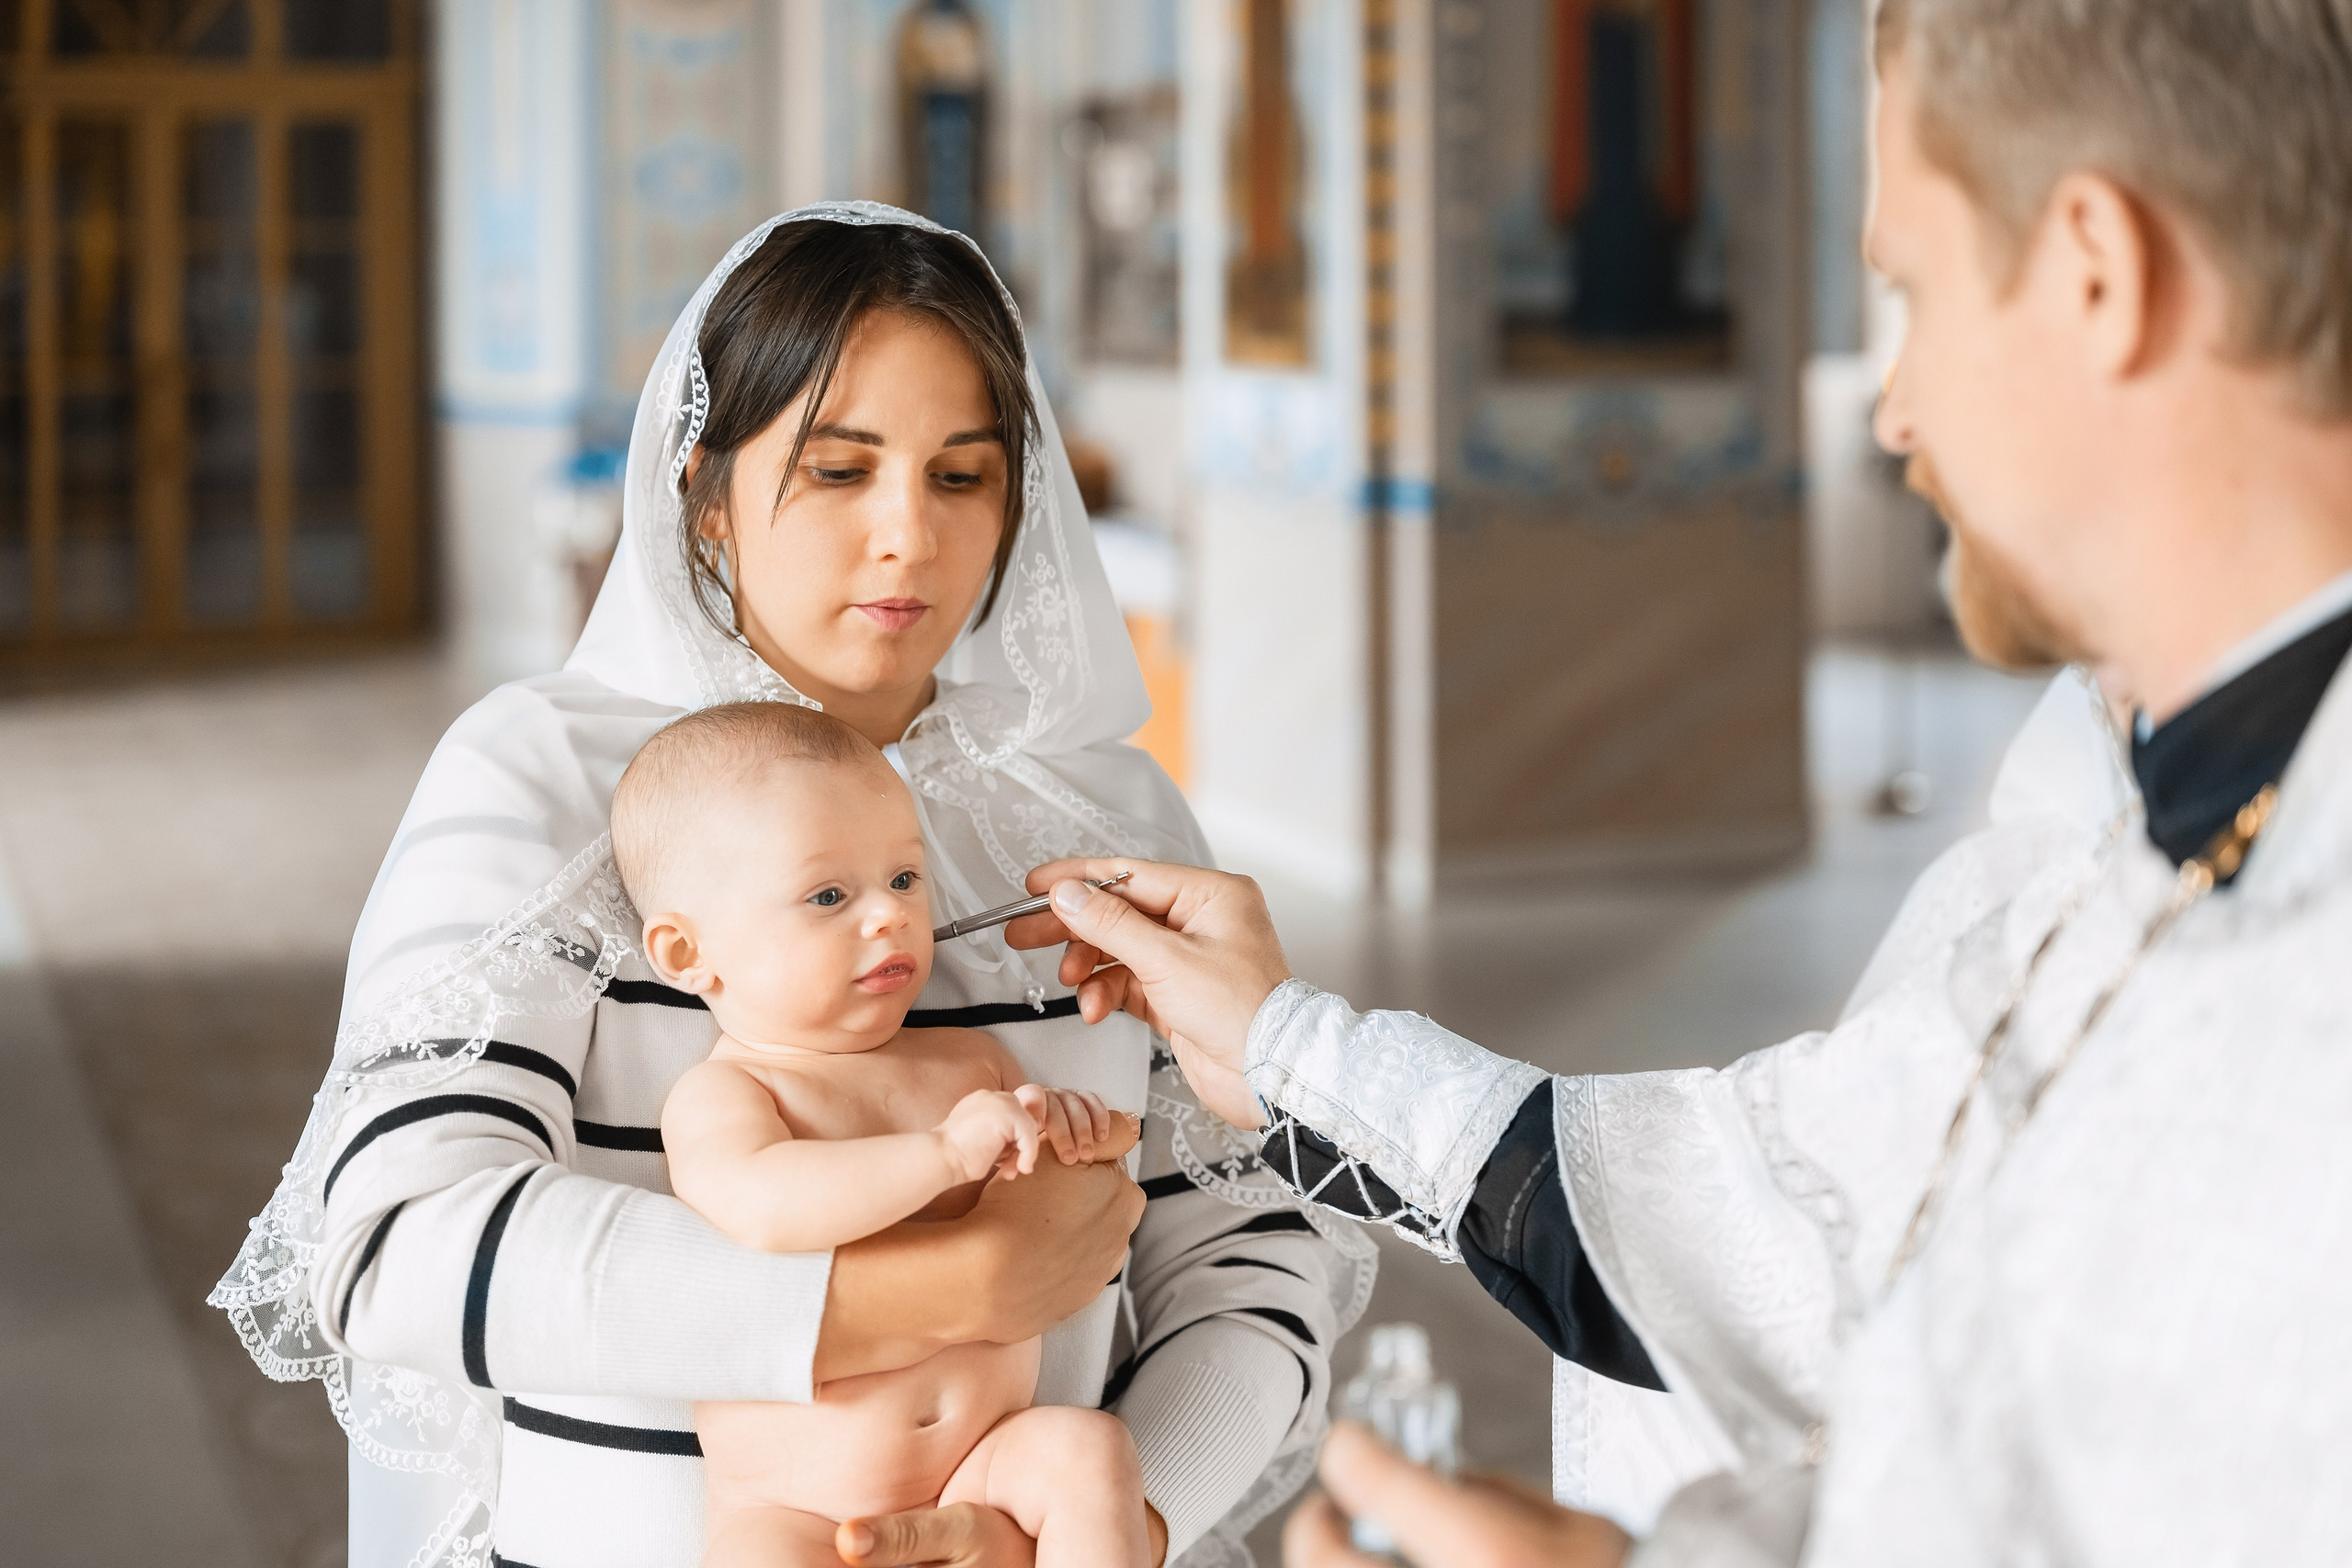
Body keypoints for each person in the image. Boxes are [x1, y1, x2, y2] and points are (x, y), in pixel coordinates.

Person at [1006, 1, 2352, 1562]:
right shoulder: (2139, 796)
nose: (1896, 407)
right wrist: (1285, 1049)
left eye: (1907, 286)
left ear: (2094, 275)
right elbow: (1802, 1222)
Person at [210, 206, 1366, 1568]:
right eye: (838, 470)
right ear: (706, 488)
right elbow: (397, 1238)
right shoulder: (550, 786)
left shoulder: (1104, 818)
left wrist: (1118, 1515)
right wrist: (935, 1289)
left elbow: (1249, 1253)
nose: (908, 538)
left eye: (961, 475)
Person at [617, 702, 1146, 1568]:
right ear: (686, 954)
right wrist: (941, 1154)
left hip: (984, 1466)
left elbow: (1056, 1197)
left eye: (904, 879)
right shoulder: (730, 1091)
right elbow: (767, 1205)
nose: (890, 916)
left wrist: (1073, 1132)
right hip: (792, 1512)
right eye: (829, 895)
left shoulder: (972, 1062)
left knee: (1090, 1453)